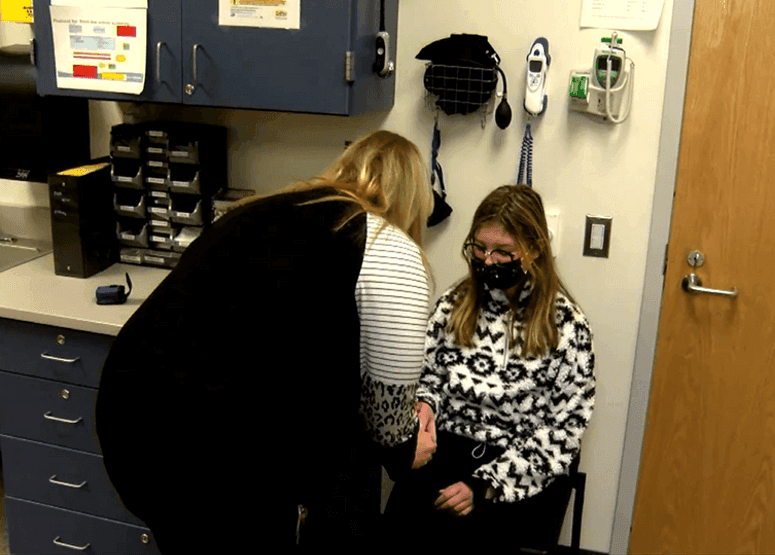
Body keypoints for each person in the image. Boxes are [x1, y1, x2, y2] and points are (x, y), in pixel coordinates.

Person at [94, 130, 437, 554]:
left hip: (134, 419)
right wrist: (409, 449)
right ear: (412, 199)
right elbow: (387, 416)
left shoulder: (258, 211)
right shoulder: (389, 246)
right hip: (218, 452)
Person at [383, 184, 596, 554]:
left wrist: (485, 485)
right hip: (443, 454)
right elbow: (426, 375)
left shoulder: (565, 326)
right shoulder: (455, 303)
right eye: (480, 248)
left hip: (511, 473)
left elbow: (562, 431)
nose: (488, 260)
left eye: (503, 252)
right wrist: (426, 406)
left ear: (533, 250)